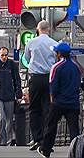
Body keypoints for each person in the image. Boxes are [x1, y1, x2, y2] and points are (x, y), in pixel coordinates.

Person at [38, 42, 81, 158]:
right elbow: (78, 84)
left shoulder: (56, 67)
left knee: (51, 125)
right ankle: (76, 151)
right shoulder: (76, 66)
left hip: (59, 102)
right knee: (74, 129)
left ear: (59, 54)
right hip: (73, 102)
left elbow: (53, 86)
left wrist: (52, 99)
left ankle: (45, 149)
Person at [24, 20, 58, 151]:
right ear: (48, 30)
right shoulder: (54, 44)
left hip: (36, 78)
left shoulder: (31, 43)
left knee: (34, 109)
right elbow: (56, 60)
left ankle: (37, 138)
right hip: (49, 79)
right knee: (48, 109)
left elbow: (26, 59)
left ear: (37, 30)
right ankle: (47, 139)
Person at [0, 46, 22, 145]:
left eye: (6, 55)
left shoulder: (12, 65)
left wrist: (18, 94)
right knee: (0, 117)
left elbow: (17, 80)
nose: (4, 57)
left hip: (10, 96)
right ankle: (2, 141)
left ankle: (8, 140)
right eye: (2, 55)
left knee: (9, 119)